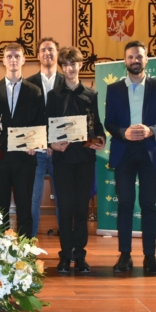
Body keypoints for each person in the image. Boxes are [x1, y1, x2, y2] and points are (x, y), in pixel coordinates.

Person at [105, 40, 156, 275]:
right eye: (131, 57)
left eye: (139, 56)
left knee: (148, 205)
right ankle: (124, 255)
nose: (135, 60)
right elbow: (109, 122)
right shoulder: (114, 89)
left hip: (150, 152)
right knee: (125, 204)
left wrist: (151, 131)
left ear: (147, 60)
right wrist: (122, 132)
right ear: (125, 61)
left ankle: (150, 257)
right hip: (124, 152)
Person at [46, 47, 105, 273]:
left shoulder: (91, 95)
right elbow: (47, 126)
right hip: (62, 161)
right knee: (65, 209)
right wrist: (51, 143)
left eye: (74, 63)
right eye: (66, 64)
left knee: (81, 209)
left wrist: (101, 139)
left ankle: (79, 256)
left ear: (81, 65)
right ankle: (64, 256)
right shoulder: (53, 96)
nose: (70, 68)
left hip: (85, 160)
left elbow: (97, 126)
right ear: (62, 68)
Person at [0, 42, 45, 238]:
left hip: (25, 158)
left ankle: (24, 251)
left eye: (17, 56)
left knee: (25, 207)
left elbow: (40, 122)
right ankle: (0, 251)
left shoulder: (34, 91)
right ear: (4, 61)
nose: (13, 60)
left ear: (24, 60)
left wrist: (36, 144)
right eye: (9, 56)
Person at [26, 37, 65, 237]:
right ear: (38, 55)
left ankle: (67, 249)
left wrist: (56, 141)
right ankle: (28, 245)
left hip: (62, 150)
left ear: (57, 53)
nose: (47, 53)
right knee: (33, 198)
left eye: (51, 49)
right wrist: (42, 141)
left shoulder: (66, 81)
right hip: (36, 150)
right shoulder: (29, 83)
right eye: (43, 50)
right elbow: (27, 118)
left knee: (63, 198)